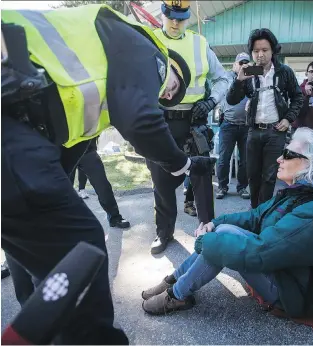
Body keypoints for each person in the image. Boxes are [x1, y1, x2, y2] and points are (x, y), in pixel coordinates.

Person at [1, 5, 215, 344]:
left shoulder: (92, 84)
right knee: (83, 246)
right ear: (169, 65)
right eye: (173, 86)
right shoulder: (146, 48)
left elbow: (63, 162)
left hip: (17, 128)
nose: (168, 96)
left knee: (32, 238)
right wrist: (182, 165)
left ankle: (40, 323)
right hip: (9, 126)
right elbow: (141, 120)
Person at [140, 128, 313, 317]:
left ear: (310, 164)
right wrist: (214, 223)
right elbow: (255, 217)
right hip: (291, 273)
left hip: (298, 293)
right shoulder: (305, 193)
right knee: (223, 232)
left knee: (224, 240)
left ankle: (177, 295)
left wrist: (206, 241)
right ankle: (174, 280)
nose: (279, 158)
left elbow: (260, 252)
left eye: (287, 153)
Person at [147, 0, 229, 254]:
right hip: (160, 122)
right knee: (161, 183)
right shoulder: (147, 40)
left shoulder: (199, 43)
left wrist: (212, 100)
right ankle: (164, 233)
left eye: (181, 18)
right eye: (170, 17)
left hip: (194, 121)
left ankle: (207, 232)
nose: (175, 23)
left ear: (188, 18)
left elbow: (223, 77)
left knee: (202, 179)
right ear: (162, 14)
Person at [227, 28, 304, 208]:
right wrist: (238, 80)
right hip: (253, 131)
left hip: (275, 132)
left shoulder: (284, 72)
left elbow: (298, 97)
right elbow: (232, 100)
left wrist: (288, 119)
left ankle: (264, 213)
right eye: (255, 51)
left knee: (269, 177)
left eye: (264, 50)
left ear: (273, 51)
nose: (260, 55)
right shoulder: (248, 73)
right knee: (252, 175)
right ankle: (255, 211)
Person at [72, 137, 130, 228]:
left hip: (86, 149)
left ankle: (115, 218)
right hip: (62, 150)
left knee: (103, 186)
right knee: (62, 189)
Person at [216, 52, 251, 200]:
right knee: (224, 158)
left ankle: (242, 187)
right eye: (241, 62)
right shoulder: (227, 78)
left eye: (246, 63)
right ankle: (222, 187)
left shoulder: (253, 79)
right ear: (235, 65)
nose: (244, 65)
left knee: (245, 160)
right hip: (228, 125)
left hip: (246, 126)